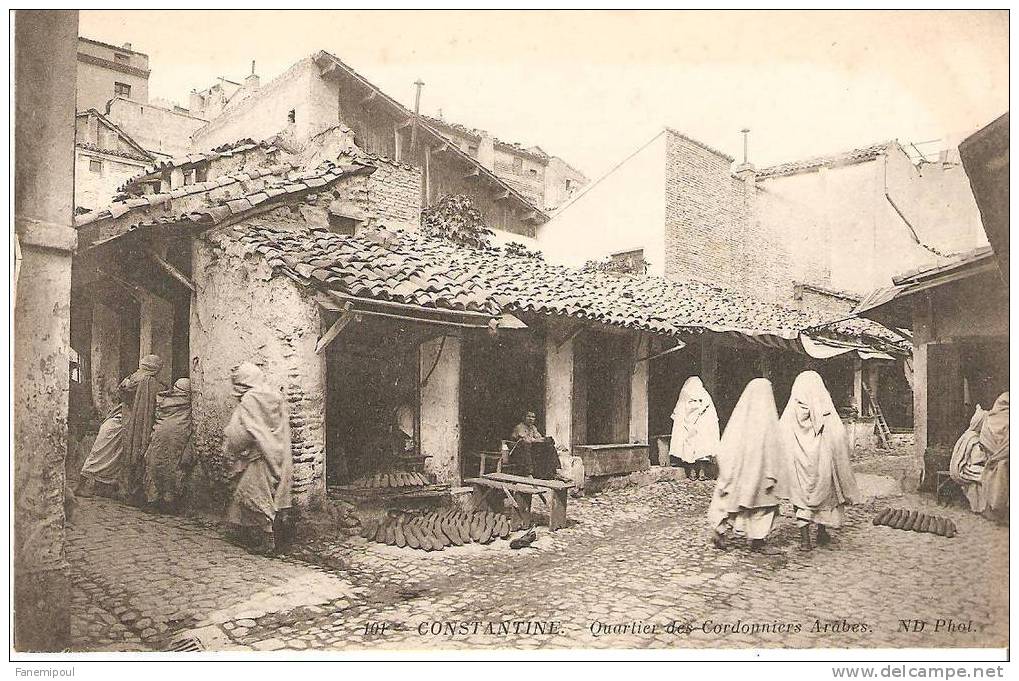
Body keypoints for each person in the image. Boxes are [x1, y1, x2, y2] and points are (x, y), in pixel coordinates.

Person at [779, 370, 860, 552]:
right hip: (822, 465)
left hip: (799, 466)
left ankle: (805, 540)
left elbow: (780, 439)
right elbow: (840, 439)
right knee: (825, 495)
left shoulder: (790, 412)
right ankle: (821, 531)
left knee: (801, 498)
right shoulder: (826, 411)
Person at [707, 379, 786, 553]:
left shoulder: (740, 418)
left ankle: (720, 532)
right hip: (761, 474)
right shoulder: (768, 420)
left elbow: (727, 447)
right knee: (762, 504)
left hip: (742, 474)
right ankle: (757, 541)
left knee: (734, 500)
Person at [223, 362, 294, 555]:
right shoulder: (274, 395)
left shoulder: (250, 399)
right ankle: (244, 531)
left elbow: (244, 431)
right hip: (277, 451)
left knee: (255, 495)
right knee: (263, 493)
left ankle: (267, 541)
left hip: (258, 455)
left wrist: (231, 445)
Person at [141, 378, 194, 513]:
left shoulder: (163, 400)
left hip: (159, 434)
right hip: (178, 436)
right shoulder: (187, 402)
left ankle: (152, 500)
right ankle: (169, 502)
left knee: (154, 465)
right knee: (172, 467)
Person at [117, 354, 164, 504]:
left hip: (130, 420)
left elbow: (122, 391)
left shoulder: (133, 379)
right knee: (141, 453)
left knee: (132, 451)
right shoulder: (154, 383)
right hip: (146, 422)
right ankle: (137, 493)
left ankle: (130, 493)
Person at [669, 376, 720, 480]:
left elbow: (679, 413)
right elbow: (680, 413)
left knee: (695, 447)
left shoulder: (695, 396)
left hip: (694, 427)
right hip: (695, 428)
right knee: (697, 447)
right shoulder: (697, 395)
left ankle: (696, 472)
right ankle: (697, 471)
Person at [76, 402, 126, 499]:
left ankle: (104, 487)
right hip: (113, 426)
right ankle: (80, 487)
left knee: (114, 458)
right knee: (96, 456)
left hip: (121, 426)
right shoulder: (118, 416)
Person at [976, 392, 1008, 523]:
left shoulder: (989, 421)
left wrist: (994, 456)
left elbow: (983, 444)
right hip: (1002, 459)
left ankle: (996, 511)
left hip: (996, 460)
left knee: (995, 473)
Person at [949, 404, 988, 512]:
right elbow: (977, 460)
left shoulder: (967, 434)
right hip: (965, 468)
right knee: (989, 475)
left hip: (962, 465)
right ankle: (981, 507)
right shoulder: (974, 438)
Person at [510, 410, 563, 480]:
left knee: (549, 446)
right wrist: (538, 440)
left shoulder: (533, 427)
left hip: (529, 449)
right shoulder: (519, 427)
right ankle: (529, 473)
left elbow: (538, 437)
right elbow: (526, 440)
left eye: (533, 417)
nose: (531, 419)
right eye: (528, 416)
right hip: (518, 451)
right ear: (524, 418)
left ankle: (554, 471)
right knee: (526, 444)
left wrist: (544, 440)